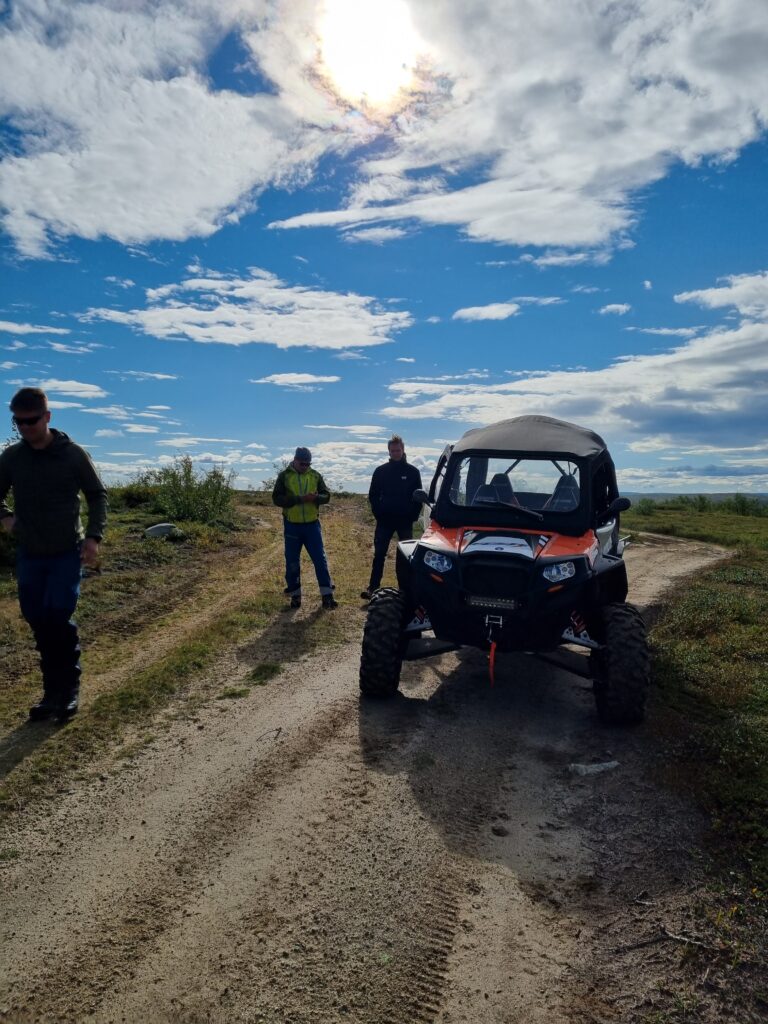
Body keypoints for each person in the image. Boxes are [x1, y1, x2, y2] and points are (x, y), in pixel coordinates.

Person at [0, 387, 107, 722]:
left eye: (31, 421)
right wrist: (4, 515)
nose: (25, 428)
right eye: (18, 422)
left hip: (66, 553)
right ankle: (50, 694)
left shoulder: (72, 454)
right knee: (37, 619)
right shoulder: (13, 458)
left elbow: (97, 494)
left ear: (47, 417)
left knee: (57, 617)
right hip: (30, 553)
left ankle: (69, 690)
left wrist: (93, 537)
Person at [272, 447, 337, 610]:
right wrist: (300, 499)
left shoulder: (315, 475)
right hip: (292, 525)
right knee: (292, 562)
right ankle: (295, 596)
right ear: (295, 460)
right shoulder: (284, 476)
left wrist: (317, 498)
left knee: (320, 560)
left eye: (308, 464)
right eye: (302, 463)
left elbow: (326, 496)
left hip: (312, 525)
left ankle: (327, 596)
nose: (305, 466)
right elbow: (277, 499)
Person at [361, 434, 422, 600]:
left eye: (398, 450)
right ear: (389, 451)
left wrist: (412, 515)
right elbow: (373, 495)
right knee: (379, 555)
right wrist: (378, 513)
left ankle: (406, 591)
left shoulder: (413, 472)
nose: (395, 453)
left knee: (406, 557)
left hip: (405, 521)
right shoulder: (381, 471)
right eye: (393, 450)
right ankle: (373, 588)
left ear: (403, 450)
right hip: (385, 521)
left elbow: (418, 497)